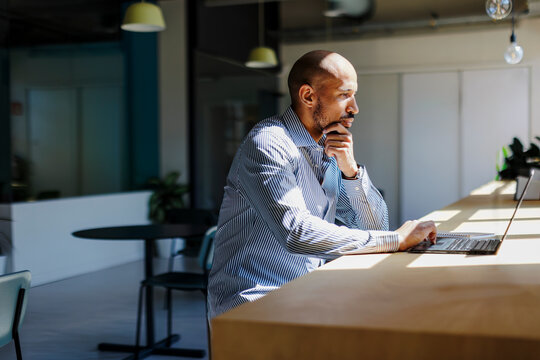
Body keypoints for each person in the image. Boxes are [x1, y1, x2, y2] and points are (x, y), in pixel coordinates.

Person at [207, 50, 437, 319]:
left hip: (303, 294)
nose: (354, 108)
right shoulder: (268, 144)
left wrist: (351, 171)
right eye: (344, 95)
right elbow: (297, 233)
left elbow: (374, 228)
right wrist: (396, 239)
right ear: (308, 96)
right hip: (252, 303)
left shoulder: (327, 149)